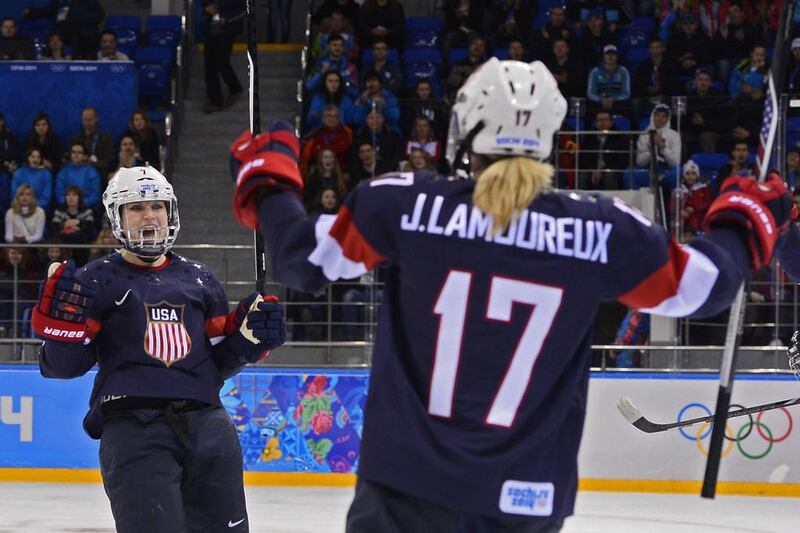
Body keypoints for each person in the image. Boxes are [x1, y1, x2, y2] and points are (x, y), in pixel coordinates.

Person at [228, 58, 794, 531]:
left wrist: (271, 182)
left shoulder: (400, 204)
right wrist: (743, 226)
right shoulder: (601, 229)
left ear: (465, 130)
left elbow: (299, 261)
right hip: (525, 500)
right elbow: (702, 288)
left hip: (405, 492)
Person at [34, 165, 288, 532]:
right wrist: (61, 331)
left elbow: (216, 365)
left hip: (210, 428)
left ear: (171, 212)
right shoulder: (95, 279)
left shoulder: (201, 278)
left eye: (158, 205)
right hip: (134, 432)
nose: (150, 215)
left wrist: (249, 341)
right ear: (117, 217)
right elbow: (62, 367)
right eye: (136, 207)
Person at [201, 0, 245, 113]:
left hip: (227, 28)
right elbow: (205, 4)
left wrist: (227, 19)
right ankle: (215, 101)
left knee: (221, 60)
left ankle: (234, 87)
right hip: (212, 27)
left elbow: (243, 9)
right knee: (209, 64)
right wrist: (206, 8)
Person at [22, 0, 105, 60]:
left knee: (81, 36)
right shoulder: (59, 2)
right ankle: (51, 60)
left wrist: (81, 20)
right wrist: (30, 12)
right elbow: (46, 10)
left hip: (81, 30)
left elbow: (99, 15)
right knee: (54, 37)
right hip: (62, 30)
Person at [51, 185, 95, 266]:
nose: (71, 198)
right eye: (68, 195)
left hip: (81, 245)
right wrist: (65, 226)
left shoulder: (87, 211)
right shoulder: (59, 211)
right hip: (63, 244)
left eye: (74, 195)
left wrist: (78, 223)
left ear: (79, 198)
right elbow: (54, 229)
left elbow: (90, 230)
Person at [69, 107, 115, 179]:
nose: (87, 123)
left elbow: (109, 161)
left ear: (96, 119)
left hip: (99, 174)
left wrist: (92, 164)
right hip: (78, 173)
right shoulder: (76, 138)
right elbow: (69, 157)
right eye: (85, 120)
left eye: (90, 120)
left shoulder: (105, 138)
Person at [56, 142, 102, 211]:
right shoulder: (63, 172)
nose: (76, 154)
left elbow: (95, 196)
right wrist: (70, 204)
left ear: (85, 156)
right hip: (66, 208)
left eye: (79, 152)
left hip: (87, 209)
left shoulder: (92, 172)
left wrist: (79, 204)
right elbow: (59, 195)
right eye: (73, 152)